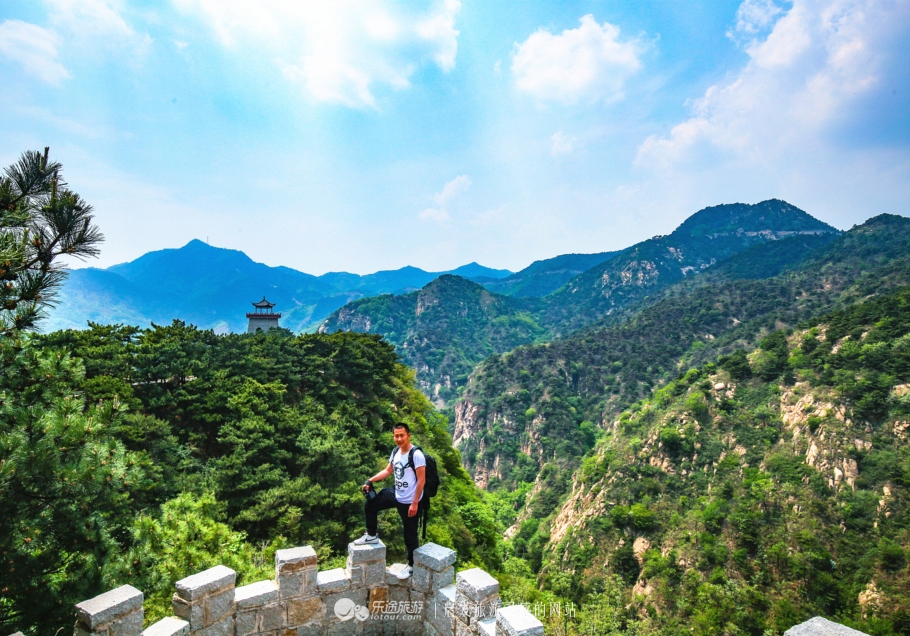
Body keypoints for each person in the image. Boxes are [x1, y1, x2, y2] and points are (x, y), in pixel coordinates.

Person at [354, 423, 426, 580]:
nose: (399, 438)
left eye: (402, 435)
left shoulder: (416, 454)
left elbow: (421, 481)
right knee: (371, 503)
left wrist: (414, 503)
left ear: (408, 435)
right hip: (396, 493)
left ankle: (412, 565)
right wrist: (369, 480)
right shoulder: (396, 452)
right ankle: (371, 534)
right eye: (396, 435)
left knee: (410, 534)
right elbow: (388, 470)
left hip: (410, 500)